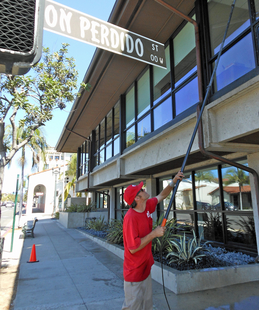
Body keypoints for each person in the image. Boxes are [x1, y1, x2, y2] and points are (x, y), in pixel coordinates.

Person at [121, 171, 184, 310]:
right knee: (133, 307)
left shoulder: (147, 205)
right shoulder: (130, 218)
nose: (144, 189)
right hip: (134, 273)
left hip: (145, 269)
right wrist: (153, 234)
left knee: (147, 307)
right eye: (141, 190)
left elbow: (162, 195)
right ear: (137, 198)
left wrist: (173, 181)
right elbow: (133, 247)